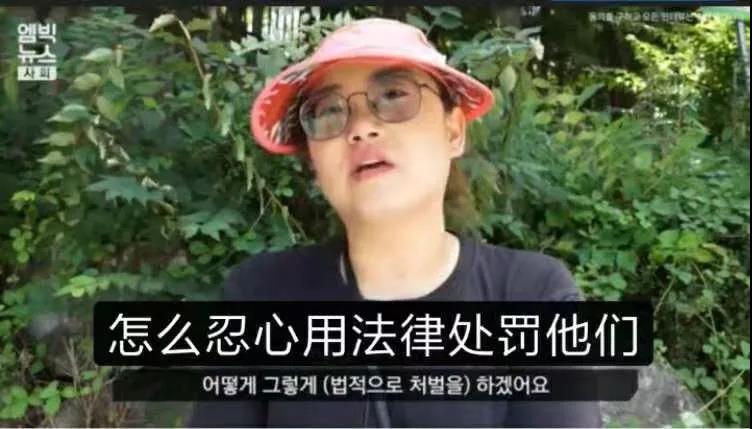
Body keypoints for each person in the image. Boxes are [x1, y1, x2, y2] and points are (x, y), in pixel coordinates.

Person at [189, 17, 603, 428]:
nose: (361, 128)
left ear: (453, 131)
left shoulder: (533, 297)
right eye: (328, 111)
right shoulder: (259, 297)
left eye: (393, 95)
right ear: (314, 161)